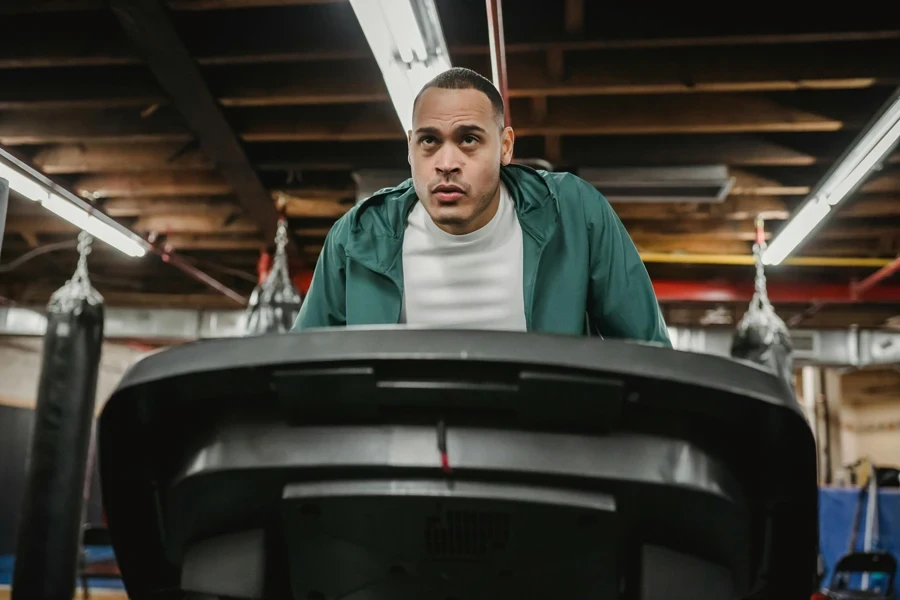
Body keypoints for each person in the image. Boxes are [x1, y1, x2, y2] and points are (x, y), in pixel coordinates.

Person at [292, 67, 671, 345]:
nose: (446, 162)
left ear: (505, 147)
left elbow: (649, 354)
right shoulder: (358, 235)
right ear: (410, 147)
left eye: (469, 139)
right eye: (429, 141)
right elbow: (303, 370)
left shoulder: (574, 212)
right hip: (402, 447)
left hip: (543, 447)